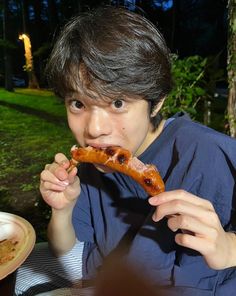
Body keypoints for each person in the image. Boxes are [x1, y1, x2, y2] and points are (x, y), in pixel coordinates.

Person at [15, 5, 236, 296]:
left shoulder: (208, 153)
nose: (94, 129)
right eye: (78, 104)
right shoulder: (90, 166)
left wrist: (229, 247)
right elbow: (67, 251)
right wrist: (62, 210)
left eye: (118, 103)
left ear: (156, 102)